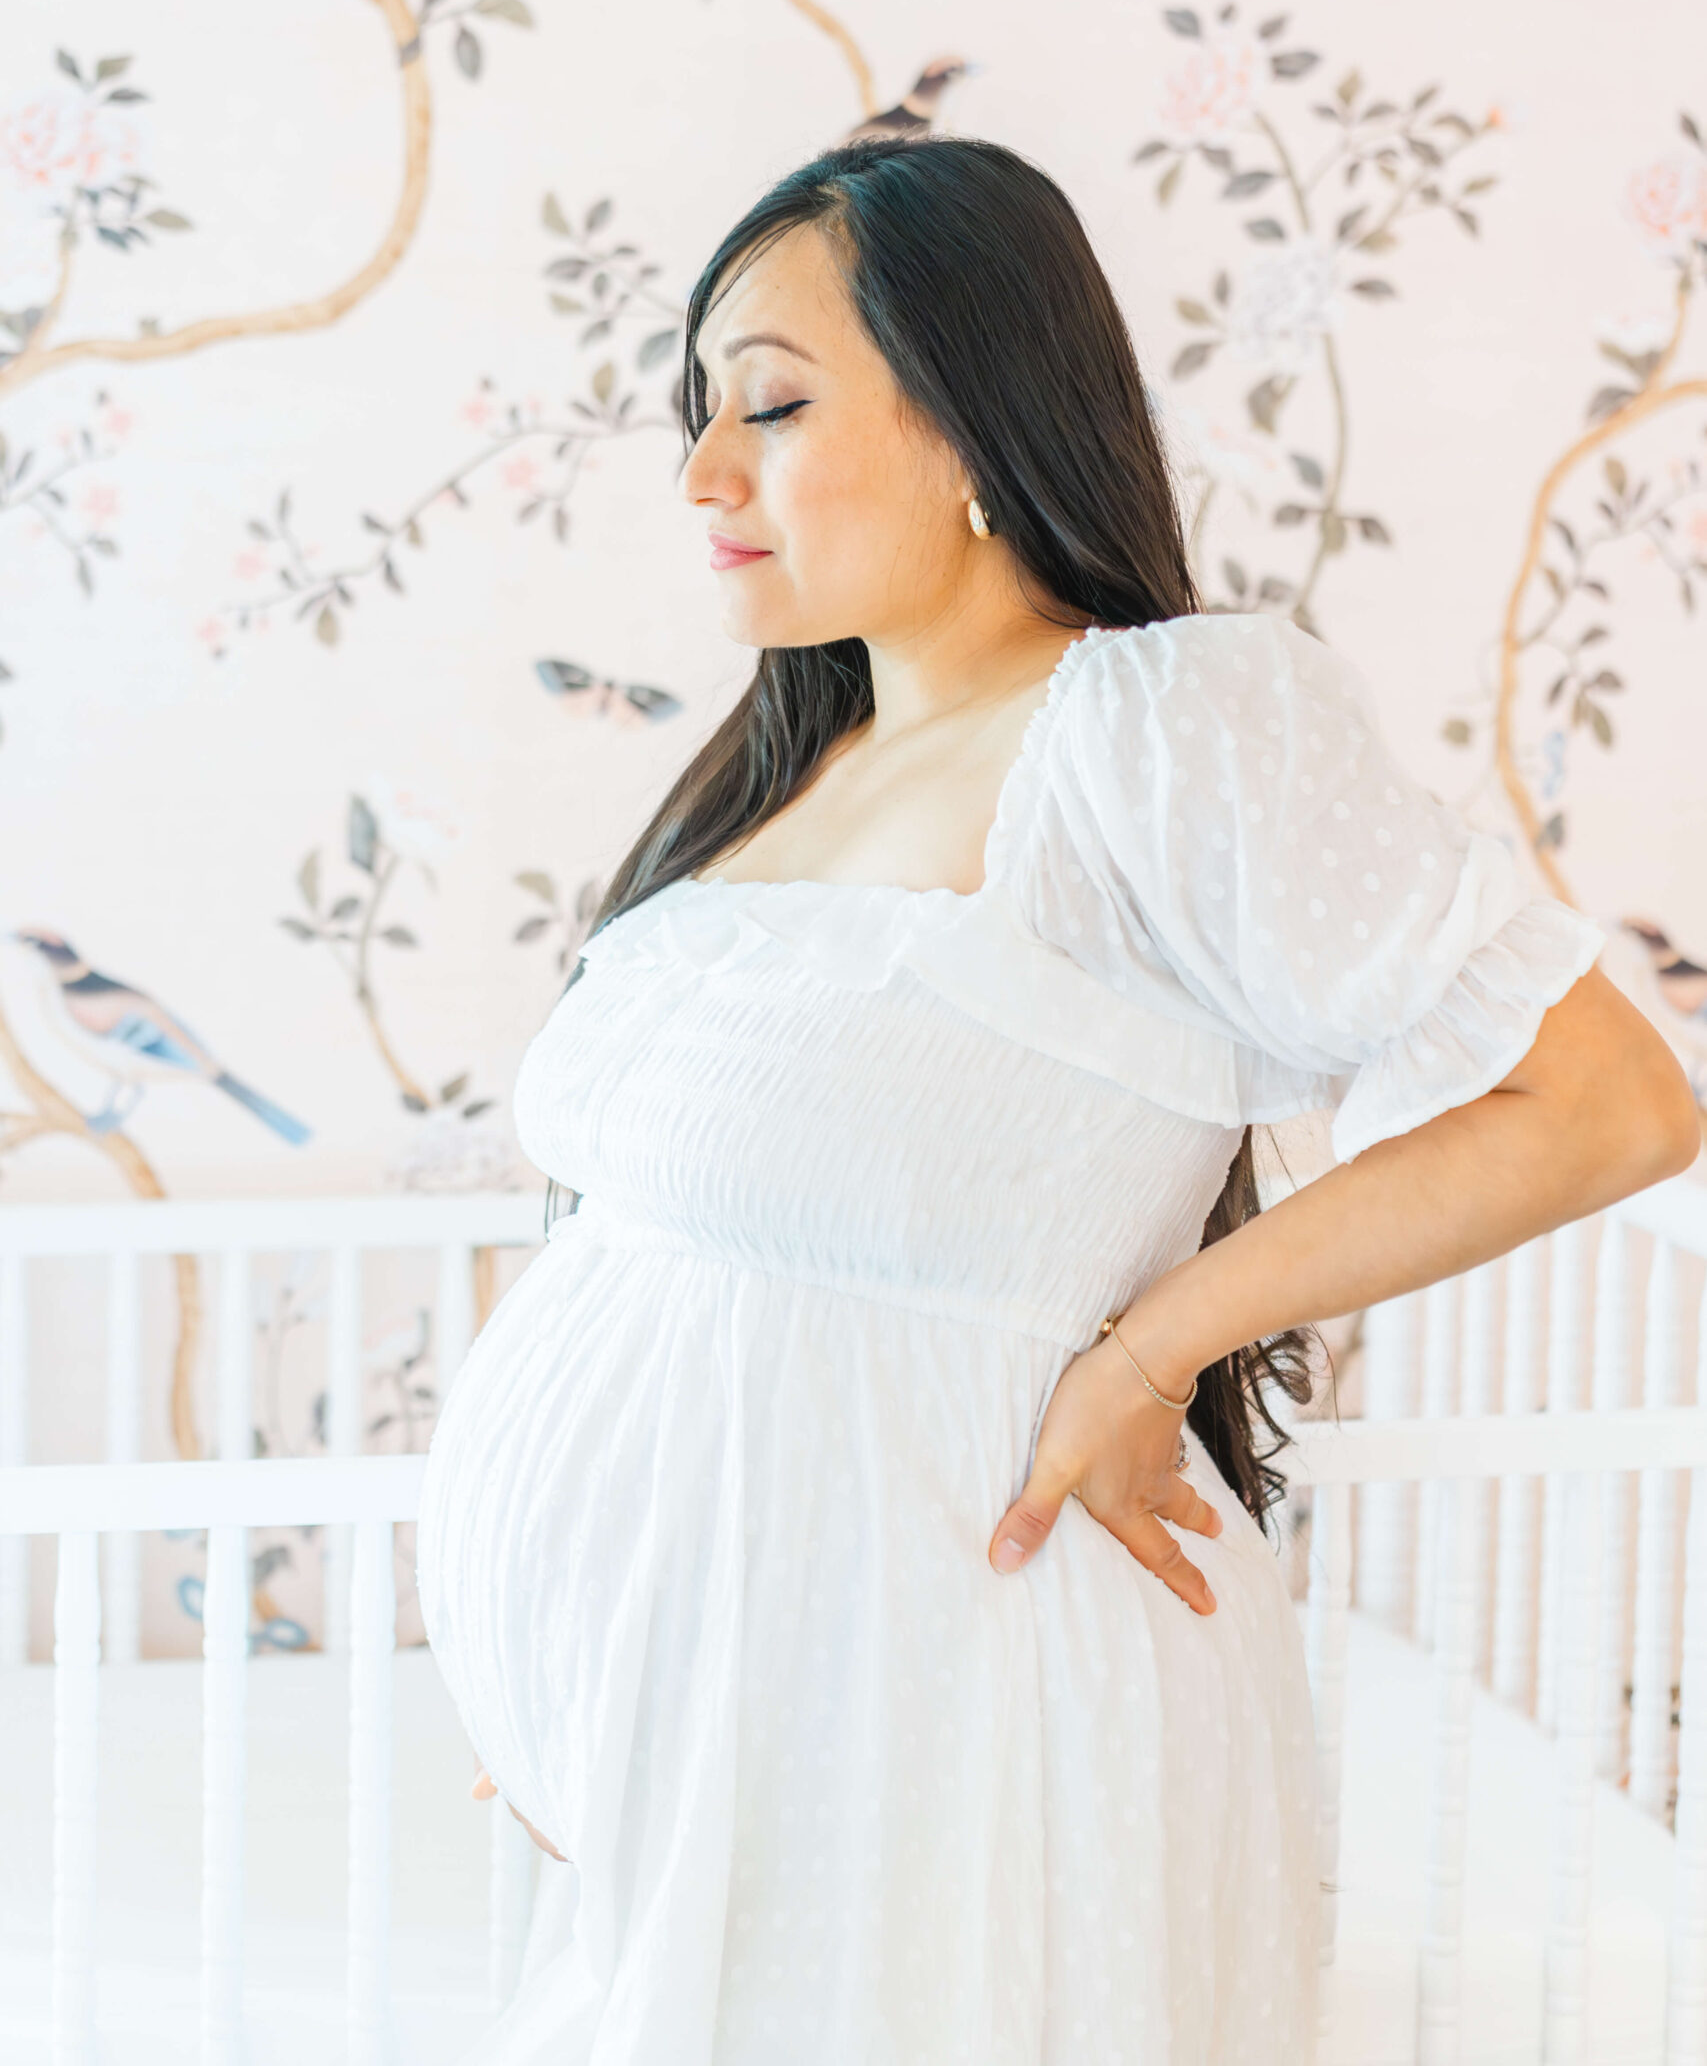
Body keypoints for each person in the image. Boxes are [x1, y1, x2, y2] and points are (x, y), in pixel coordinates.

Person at [414, 137, 1697, 2063]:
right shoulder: (790, 772)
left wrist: (1150, 1351)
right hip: (714, 1752)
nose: (701, 472)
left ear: (975, 423)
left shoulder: (1150, 731)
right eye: (698, 415)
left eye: (769, 400)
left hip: (950, 1695)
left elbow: (1608, 1104)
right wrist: (587, 1694)